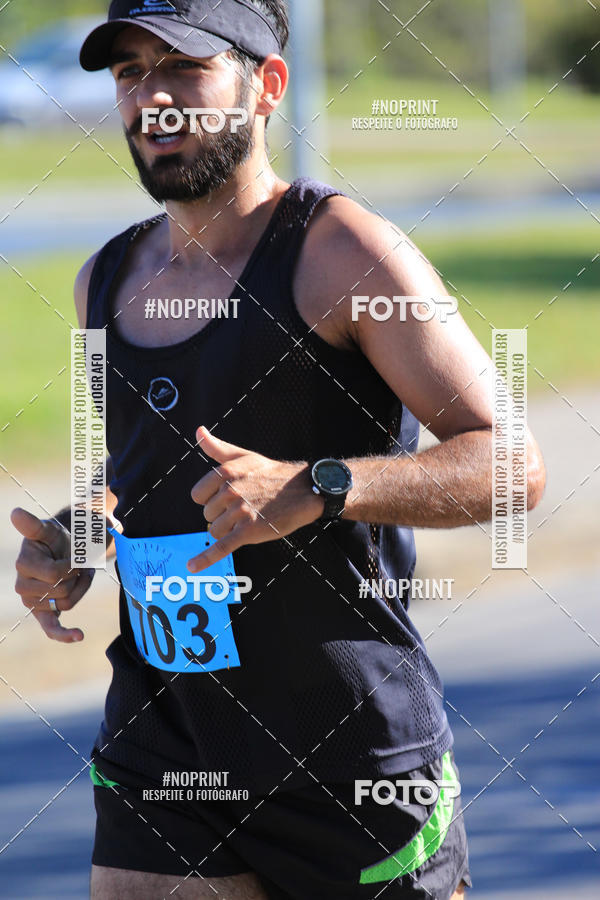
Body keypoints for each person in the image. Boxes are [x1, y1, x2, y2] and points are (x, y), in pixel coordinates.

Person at [11, 1, 546, 898]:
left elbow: (513, 464)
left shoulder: (345, 255)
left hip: (352, 758)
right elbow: (143, 469)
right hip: (167, 738)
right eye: (130, 72)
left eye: (184, 67)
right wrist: (79, 536)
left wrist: (319, 485)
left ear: (268, 86)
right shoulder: (100, 281)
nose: (155, 99)